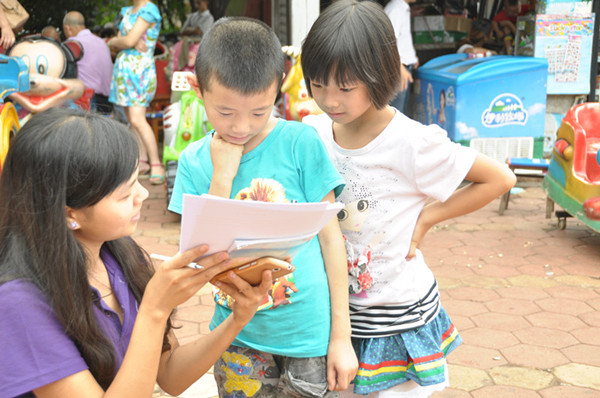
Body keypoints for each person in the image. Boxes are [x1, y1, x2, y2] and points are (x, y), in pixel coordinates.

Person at [301, 1, 516, 396]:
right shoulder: (312, 132)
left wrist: (428, 218)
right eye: (318, 85)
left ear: (380, 74)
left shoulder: (412, 142)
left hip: (399, 318)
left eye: (345, 87)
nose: (330, 100)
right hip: (336, 317)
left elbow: (499, 179)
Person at [0, 107, 272, 398]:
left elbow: (169, 374)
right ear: (70, 214)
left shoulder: (118, 254)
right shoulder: (19, 302)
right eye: (125, 193)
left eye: (137, 181)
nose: (142, 195)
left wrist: (239, 318)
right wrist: (155, 309)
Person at [168, 17, 358, 397]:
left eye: (259, 112)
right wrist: (222, 176)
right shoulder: (194, 160)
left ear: (278, 91)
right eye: (225, 113)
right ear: (198, 90)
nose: (241, 127)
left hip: (309, 335)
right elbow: (200, 258)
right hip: (237, 336)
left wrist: (342, 336)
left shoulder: (300, 143)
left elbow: (331, 241)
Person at [108, 0, 164, 184]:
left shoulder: (149, 10)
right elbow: (121, 41)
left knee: (138, 119)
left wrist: (119, 41)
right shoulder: (126, 11)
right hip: (124, 69)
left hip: (139, 70)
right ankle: (142, 161)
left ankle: (156, 164)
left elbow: (127, 40)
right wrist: (120, 41)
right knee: (132, 120)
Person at [63, 11, 114, 114]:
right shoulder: (102, 42)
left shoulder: (72, 44)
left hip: (87, 101)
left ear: (67, 28)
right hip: (108, 101)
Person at [383, 0, 418, 115]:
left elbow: (401, 40)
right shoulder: (396, 9)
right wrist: (400, 67)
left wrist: (412, 58)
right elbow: (388, 41)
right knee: (396, 114)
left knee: (401, 112)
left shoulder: (402, 7)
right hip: (397, 70)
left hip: (403, 68)